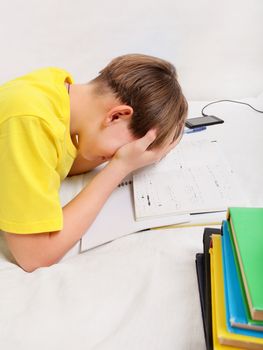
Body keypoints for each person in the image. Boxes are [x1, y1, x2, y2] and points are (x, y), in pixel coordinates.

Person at [0, 54, 188, 272]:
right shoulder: (31, 121)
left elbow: (54, 164)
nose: (115, 156)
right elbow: (35, 256)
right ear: (117, 116)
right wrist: (120, 167)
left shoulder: (57, 89)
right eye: (121, 149)